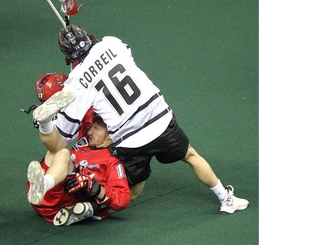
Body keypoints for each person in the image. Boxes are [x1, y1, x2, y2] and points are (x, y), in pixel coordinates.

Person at [32, 24, 249, 214]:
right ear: (88, 37)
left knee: (132, 189)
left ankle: (94, 209)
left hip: (128, 139)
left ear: (68, 56)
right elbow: (110, 57)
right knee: (191, 155)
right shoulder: (112, 43)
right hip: (159, 120)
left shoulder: (75, 82)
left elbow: (66, 133)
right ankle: (225, 198)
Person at [26, 73, 130, 226]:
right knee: (58, 151)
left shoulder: (112, 161)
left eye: (96, 129)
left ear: (110, 137)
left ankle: (45, 124)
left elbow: (123, 199)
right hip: (46, 195)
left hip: (62, 202)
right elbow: (86, 106)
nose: (90, 132)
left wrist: (96, 189)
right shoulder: (87, 139)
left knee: (62, 152)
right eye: (91, 128)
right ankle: (46, 120)